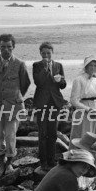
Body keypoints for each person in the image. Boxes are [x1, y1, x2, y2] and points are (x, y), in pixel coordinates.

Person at [0, 33, 31, 177]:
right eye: (3, 46)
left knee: (10, 136)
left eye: (9, 47)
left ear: (13, 47)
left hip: (14, 105)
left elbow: (25, 83)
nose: (6, 49)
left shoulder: (20, 64)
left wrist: (16, 97)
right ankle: (0, 163)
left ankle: (9, 162)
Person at [32, 42, 67, 172]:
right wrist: (45, 69)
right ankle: (43, 162)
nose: (46, 55)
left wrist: (60, 81)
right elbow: (38, 82)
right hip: (41, 103)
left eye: (48, 53)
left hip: (55, 102)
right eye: (44, 53)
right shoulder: (36, 65)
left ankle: (52, 161)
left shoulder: (59, 65)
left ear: (52, 53)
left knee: (52, 133)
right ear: (40, 53)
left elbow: (63, 85)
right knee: (43, 133)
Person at [70, 56, 96, 171]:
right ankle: (82, 165)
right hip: (83, 113)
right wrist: (88, 109)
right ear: (85, 67)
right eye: (90, 65)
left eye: (95, 65)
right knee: (83, 139)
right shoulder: (78, 80)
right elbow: (74, 100)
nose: (92, 68)